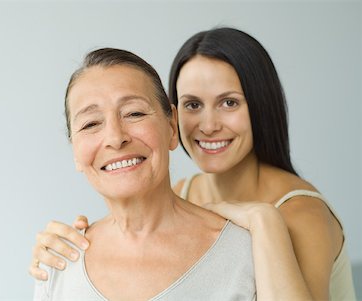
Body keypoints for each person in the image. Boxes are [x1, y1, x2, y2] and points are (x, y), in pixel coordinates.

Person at [30, 28, 356, 300]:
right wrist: (55, 257)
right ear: (175, 117)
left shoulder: (299, 215)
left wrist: (263, 219)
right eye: (193, 104)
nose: (208, 125)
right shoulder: (184, 192)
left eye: (229, 102)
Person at [34, 47, 259, 300]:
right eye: (91, 124)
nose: (116, 138)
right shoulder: (58, 262)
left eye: (134, 113)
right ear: (75, 150)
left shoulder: (245, 253)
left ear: (172, 126)